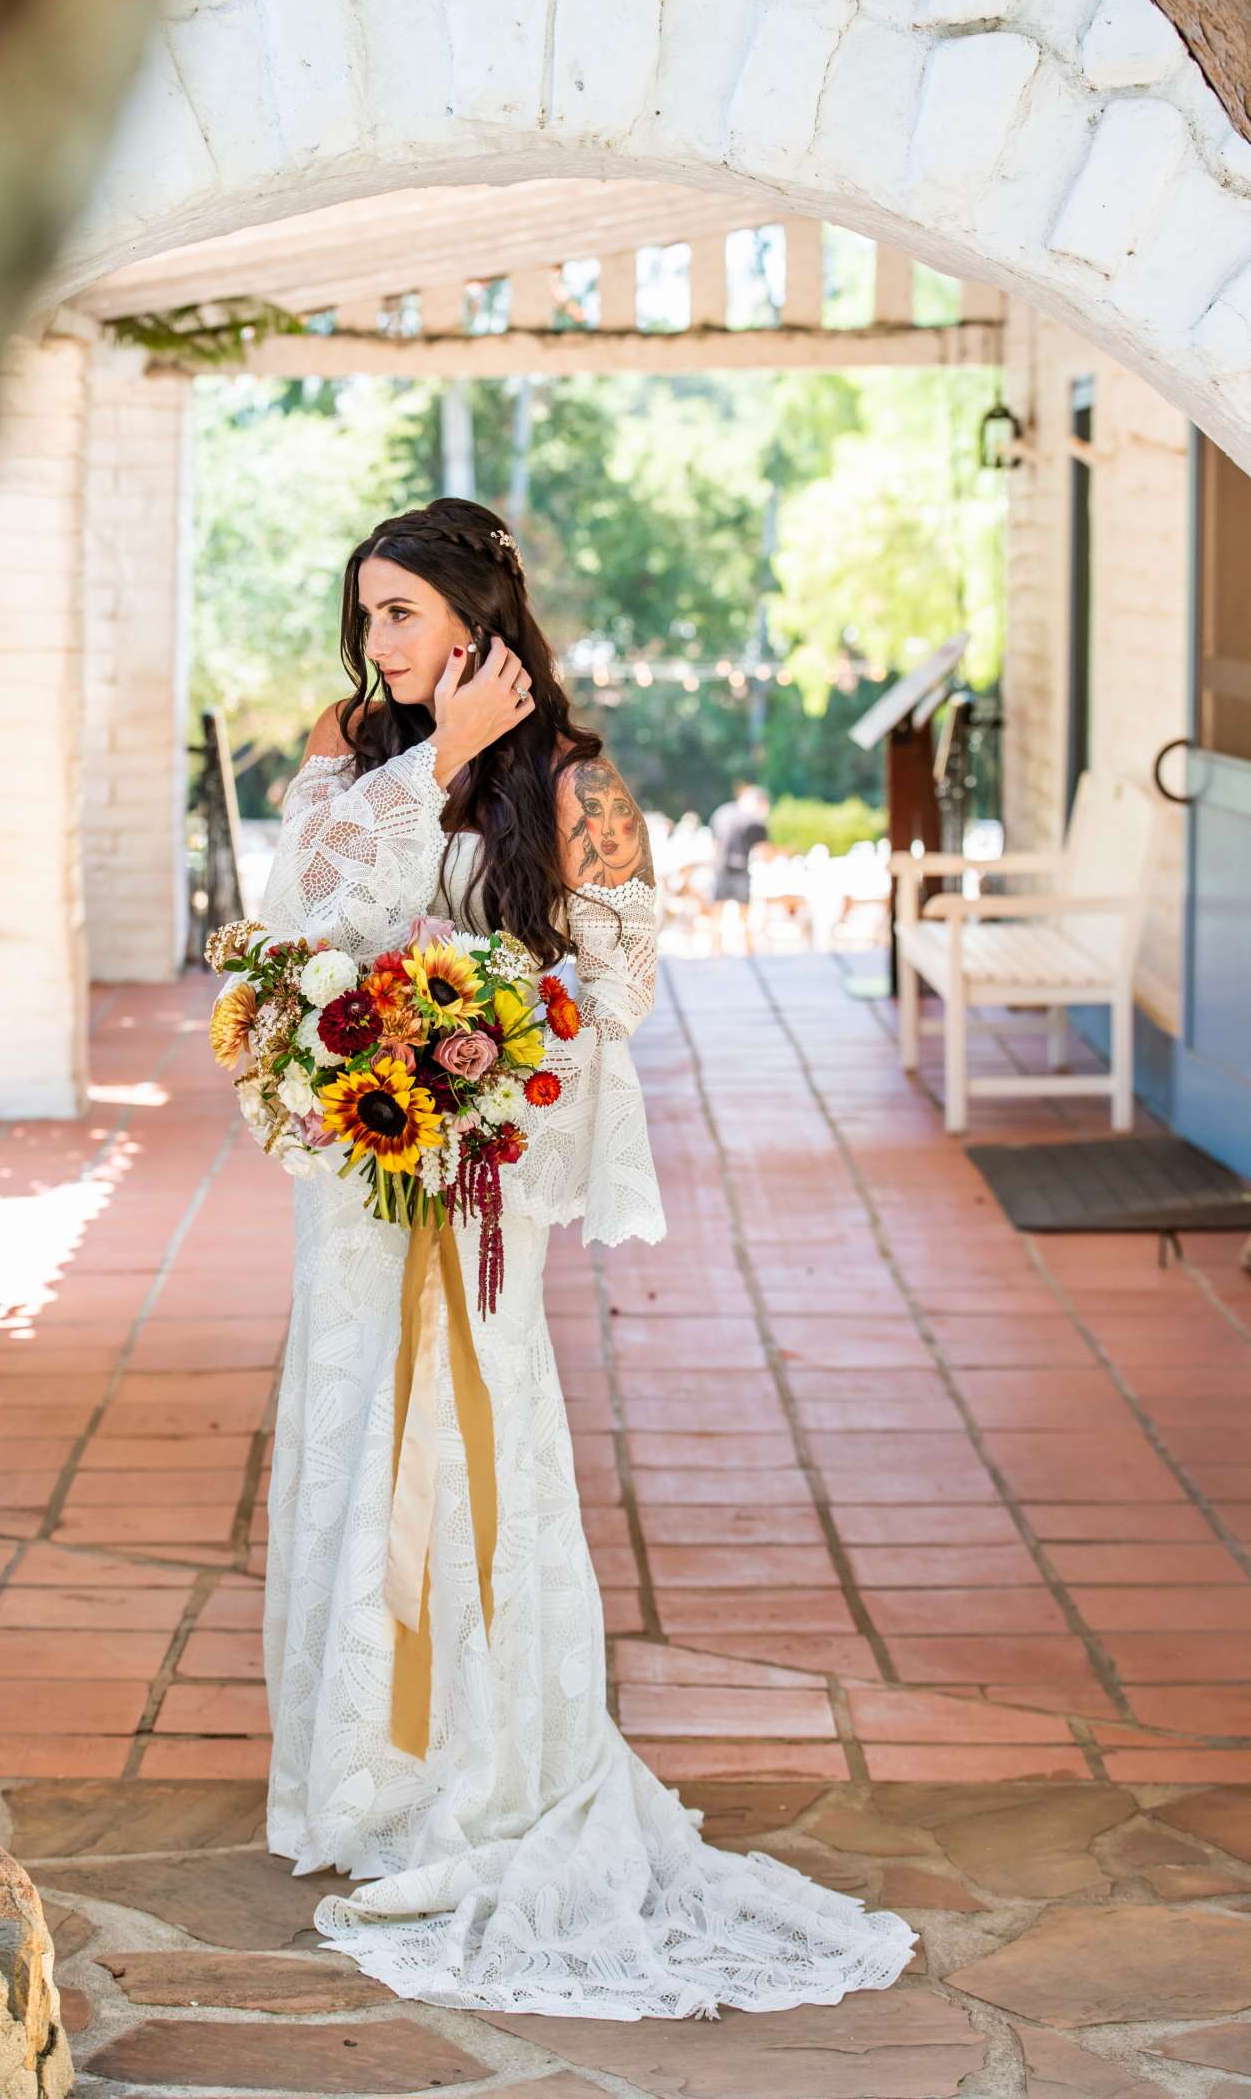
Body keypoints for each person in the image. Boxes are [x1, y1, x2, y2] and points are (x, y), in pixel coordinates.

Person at [256, 497, 914, 2017]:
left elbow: (616, 989)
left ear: (480, 618)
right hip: (354, 1179)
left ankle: (483, 1767)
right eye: (365, 615)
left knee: (470, 1439)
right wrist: (429, 767)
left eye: (402, 615)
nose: (377, 643)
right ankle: (354, 1779)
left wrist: (478, 1043)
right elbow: (299, 915)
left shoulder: (574, 780)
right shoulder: (353, 748)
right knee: (353, 1427)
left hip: (478, 1172)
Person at [708, 780, 770, 953]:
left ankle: (716, 948)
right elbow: (762, 848)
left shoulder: (722, 812)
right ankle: (748, 948)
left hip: (720, 865)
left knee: (717, 910)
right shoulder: (753, 819)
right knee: (744, 912)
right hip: (741, 865)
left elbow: (714, 841)